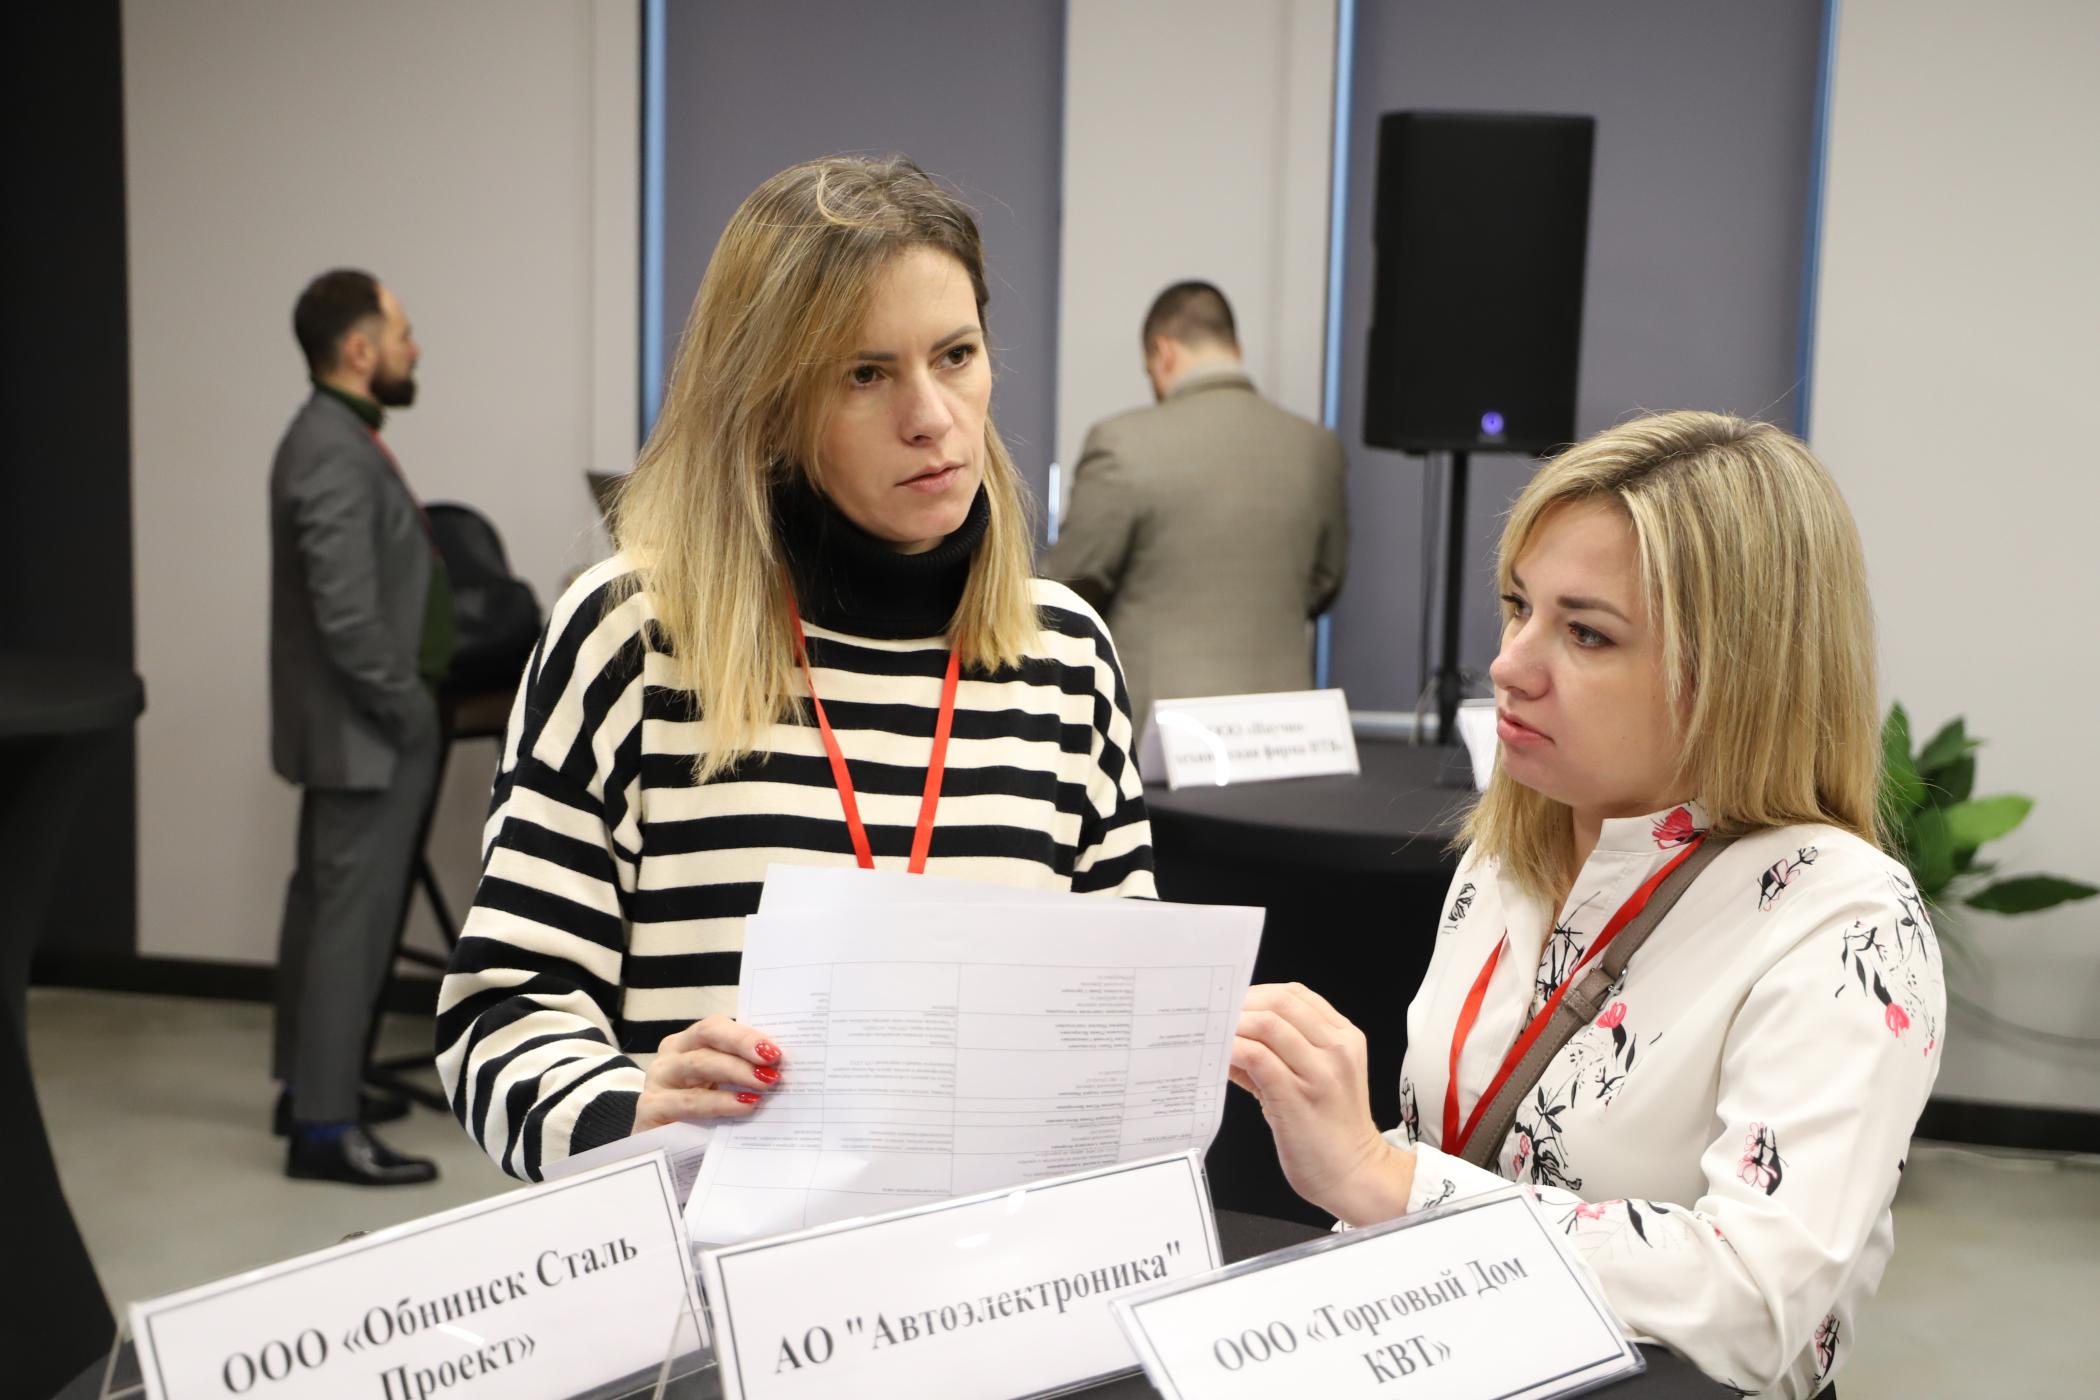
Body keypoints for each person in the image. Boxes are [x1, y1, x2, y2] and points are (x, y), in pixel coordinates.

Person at [435, 157, 1155, 1181]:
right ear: (769, 407)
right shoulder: (630, 639)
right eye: (865, 374)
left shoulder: (1065, 656)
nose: (931, 415)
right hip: (708, 1264)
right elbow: (498, 1021)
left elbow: (1116, 1021)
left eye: (956, 355)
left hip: (991, 1264)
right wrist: (632, 1111)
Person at [1229, 412, 1942, 1399]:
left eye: (1587, 633)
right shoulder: (1509, 854)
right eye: (1518, 606)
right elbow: (1461, 1151)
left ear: (1740, 673)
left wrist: (1385, 1179)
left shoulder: (1844, 919)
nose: (1510, 665)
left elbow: (1755, 1298)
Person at [269, 269, 452, 1185]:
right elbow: (344, 613)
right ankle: (324, 1128)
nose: (413, 349)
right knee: (349, 924)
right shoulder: (334, 448)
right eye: (401, 333)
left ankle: (308, 1089)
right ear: (358, 349)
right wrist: (407, 706)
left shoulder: (333, 435)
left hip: (353, 732)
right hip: (368, 735)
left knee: (323, 913)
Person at [1041, 281, 1348, 740]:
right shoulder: (1318, 449)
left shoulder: (1122, 443)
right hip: (1285, 735)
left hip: (1162, 740)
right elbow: (1324, 584)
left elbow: (1067, 589)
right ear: (1235, 349)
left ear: (1163, 353)